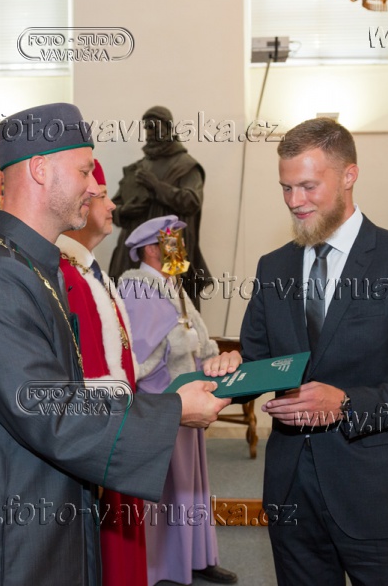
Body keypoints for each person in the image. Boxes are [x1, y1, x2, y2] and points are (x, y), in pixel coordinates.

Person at [0, 103, 230, 585]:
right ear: (40, 169)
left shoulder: (31, 267)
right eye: (85, 170)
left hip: (48, 513)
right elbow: (52, 413)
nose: (94, 187)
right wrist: (173, 410)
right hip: (13, 542)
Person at [239, 118, 388, 585]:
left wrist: (346, 403)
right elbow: (255, 363)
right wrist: (229, 368)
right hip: (291, 492)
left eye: (308, 186)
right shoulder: (273, 267)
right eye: (286, 187)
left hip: (377, 496)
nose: (294, 201)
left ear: (349, 175)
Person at [118, 215, 238, 586]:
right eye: (172, 243)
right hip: (161, 406)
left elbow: (194, 339)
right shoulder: (137, 289)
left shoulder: (171, 285)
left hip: (187, 402)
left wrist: (212, 362)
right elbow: (137, 359)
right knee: (166, 488)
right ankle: (161, 568)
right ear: (151, 250)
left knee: (191, 485)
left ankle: (197, 558)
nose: (180, 250)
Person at [56, 159, 147, 586]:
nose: (112, 206)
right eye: (103, 197)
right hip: (104, 443)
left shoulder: (94, 273)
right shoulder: (67, 276)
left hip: (122, 436)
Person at [108, 106, 210, 308]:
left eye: (154, 126)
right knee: (126, 305)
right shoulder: (137, 168)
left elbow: (192, 201)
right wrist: (123, 211)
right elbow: (112, 207)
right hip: (133, 245)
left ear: (168, 127)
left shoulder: (185, 165)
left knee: (178, 305)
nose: (150, 131)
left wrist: (156, 185)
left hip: (171, 241)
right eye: (147, 127)